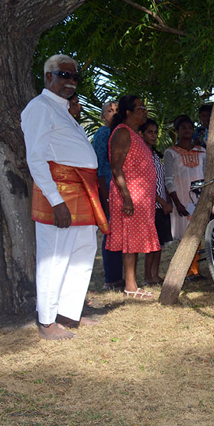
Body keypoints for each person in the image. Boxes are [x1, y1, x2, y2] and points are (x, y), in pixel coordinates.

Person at [22, 54, 109, 339]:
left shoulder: (63, 110)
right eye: (64, 75)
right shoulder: (40, 107)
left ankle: (69, 316)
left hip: (82, 190)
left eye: (74, 77)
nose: (71, 82)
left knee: (82, 253)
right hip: (58, 193)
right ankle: (47, 323)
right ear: (48, 77)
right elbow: (36, 158)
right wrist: (55, 201)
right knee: (54, 256)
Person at [107, 96, 160, 300]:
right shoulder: (121, 132)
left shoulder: (134, 134)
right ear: (129, 112)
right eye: (141, 108)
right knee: (130, 242)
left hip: (141, 198)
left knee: (135, 242)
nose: (145, 111)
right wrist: (127, 198)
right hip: (129, 197)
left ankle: (132, 284)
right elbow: (116, 167)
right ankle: (130, 286)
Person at [164, 115, 207, 278]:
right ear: (177, 131)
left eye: (190, 127)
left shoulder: (202, 151)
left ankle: (195, 270)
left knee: (196, 233)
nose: (187, 130)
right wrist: (177, 203)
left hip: (198, 198)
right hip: (180, 198)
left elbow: (206, 175)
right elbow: (168, 180)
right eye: (183, 127)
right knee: (185, 236)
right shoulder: (170, 152)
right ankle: (186, 271)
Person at [91, 100, 124, 290]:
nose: (113, 113)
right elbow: (101, 168)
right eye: (110, 111)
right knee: (110, 233)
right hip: (108, 188)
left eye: (117, 110)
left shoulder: (123, 133)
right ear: (103, 116)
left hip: (122, 190)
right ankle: (111, 278)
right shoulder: (103, 133)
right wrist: (105, 197)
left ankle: (120, 276)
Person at [139, 119, 172, 285]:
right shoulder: (142, 155)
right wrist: (162, 202)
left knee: (159, 242)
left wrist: (167, 200)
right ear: (142, 134)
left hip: (162, 204)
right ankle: (147, 276)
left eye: (155, 132)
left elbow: (162, 181)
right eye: (149, 132)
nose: (153, 135)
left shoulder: (156, 155)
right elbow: (146, 185)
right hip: (151, 205)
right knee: (151, 243)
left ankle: (155, 274)